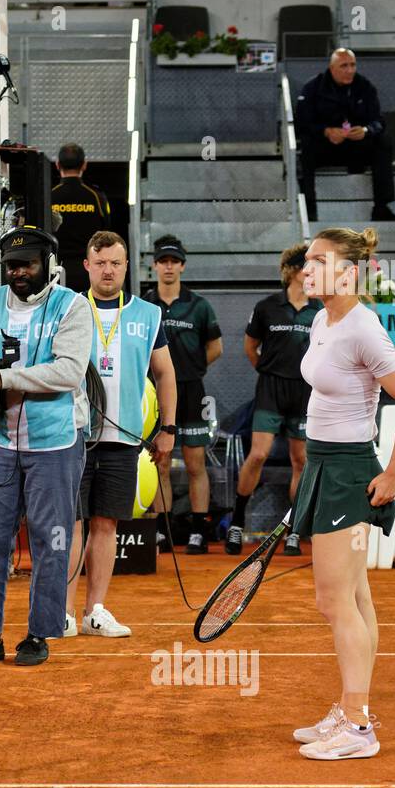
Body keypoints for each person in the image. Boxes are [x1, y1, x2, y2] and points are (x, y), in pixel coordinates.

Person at [292, 226, 395, 760]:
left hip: (349, 472)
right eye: (306, 261)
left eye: (318, 262)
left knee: (332, 600)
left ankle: (358, 727)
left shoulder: (363, 328)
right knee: (356, 596)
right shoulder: (323, 320)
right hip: (323, 463)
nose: (306, 269)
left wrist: (391, 474)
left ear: (348, 273)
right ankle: (352, 707)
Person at [0, 225, 92, 668]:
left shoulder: (73, 306)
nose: (17, 272)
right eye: (10, 265)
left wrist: (3, 378)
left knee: (51, 541)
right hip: (0, 441)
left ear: (47, 265)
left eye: (26, 264)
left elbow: (68, 372)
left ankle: (39, 633)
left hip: (57, 443)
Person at [64, 231, 176, 638]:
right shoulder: (69, 307)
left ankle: (95, 610)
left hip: (124, 437)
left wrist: (167, 428)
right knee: (71, 523)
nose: (108, 270)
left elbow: (165, 373)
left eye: (116, 263)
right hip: (72, 435)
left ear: (127, 266)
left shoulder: (148, 314)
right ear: (87, 266)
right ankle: (63, 612)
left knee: (106, 524)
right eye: (101, 262)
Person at [227, 243, 322, 558]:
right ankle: (237, 523)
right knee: (258, 455)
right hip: (270, 389)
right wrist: (270, 373)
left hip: (305, 391)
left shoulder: (320, 311)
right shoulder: (267, 306)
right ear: (294, 271)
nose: (314, 272)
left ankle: (294, 530)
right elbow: (250, 347)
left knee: (301, 460)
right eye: (309, 266)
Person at [143, 235, 222, 553]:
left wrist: (190, 370)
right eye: (163, 261)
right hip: (155, 392)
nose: (169, 267)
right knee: (158, 463)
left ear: (183, 266)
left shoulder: (199, 305)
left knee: (194, 463)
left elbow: (215, 347)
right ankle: (162, 531)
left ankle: (198, 530)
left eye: (174, 261)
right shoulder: (145, 304)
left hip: (191, 391)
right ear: (155, 266)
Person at [296, 48, 395, 223]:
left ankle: (381, 208)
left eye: (353, 65)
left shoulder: (364, 86)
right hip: (326, 146)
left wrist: (365, 131)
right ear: (332, 68)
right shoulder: (313, 87)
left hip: (355, 145)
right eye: (344, 66)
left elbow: (379, 122)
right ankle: (309, 211)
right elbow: (302, 123)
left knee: (383, 142)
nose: (350, 70)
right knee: (306, 147)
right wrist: (326, 131)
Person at [50, 142, 111, 294]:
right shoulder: (96, 196)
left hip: (56, 271)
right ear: (84, 165)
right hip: (89, 270)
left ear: (57, 165)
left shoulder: (48, 196)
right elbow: (107, 231)